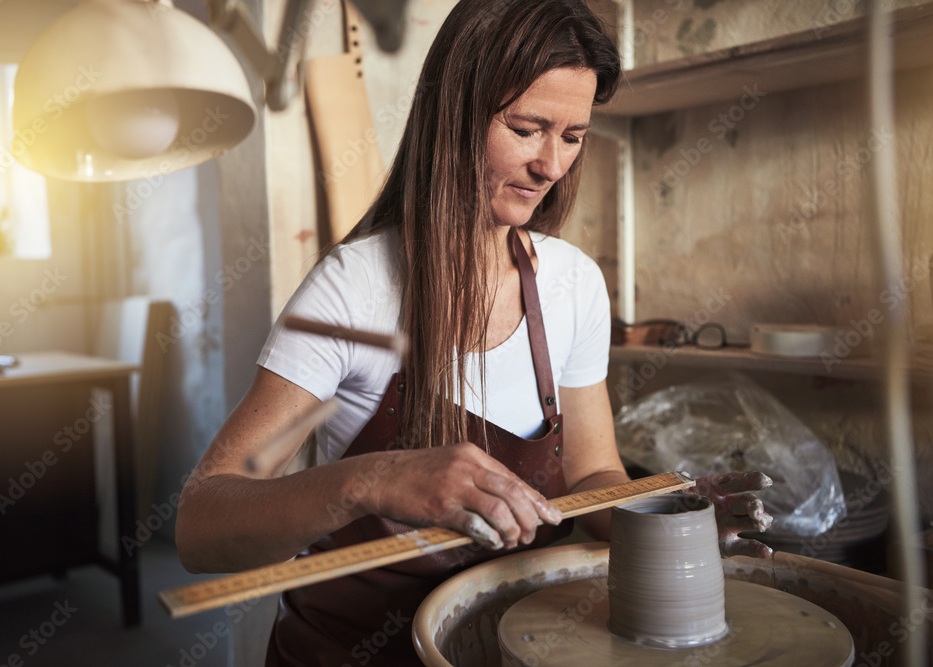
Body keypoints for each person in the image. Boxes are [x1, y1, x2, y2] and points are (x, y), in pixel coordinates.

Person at [175, 0, 773, 664]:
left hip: (510, 643)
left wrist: (666, 521)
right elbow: (202, 524)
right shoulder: (354, 288)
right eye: (527, 127)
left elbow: (592, 476)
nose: (552, 164)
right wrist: (369, 479)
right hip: (353, 648)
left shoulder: (571, 283)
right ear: (454, 114)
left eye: (573, 136)